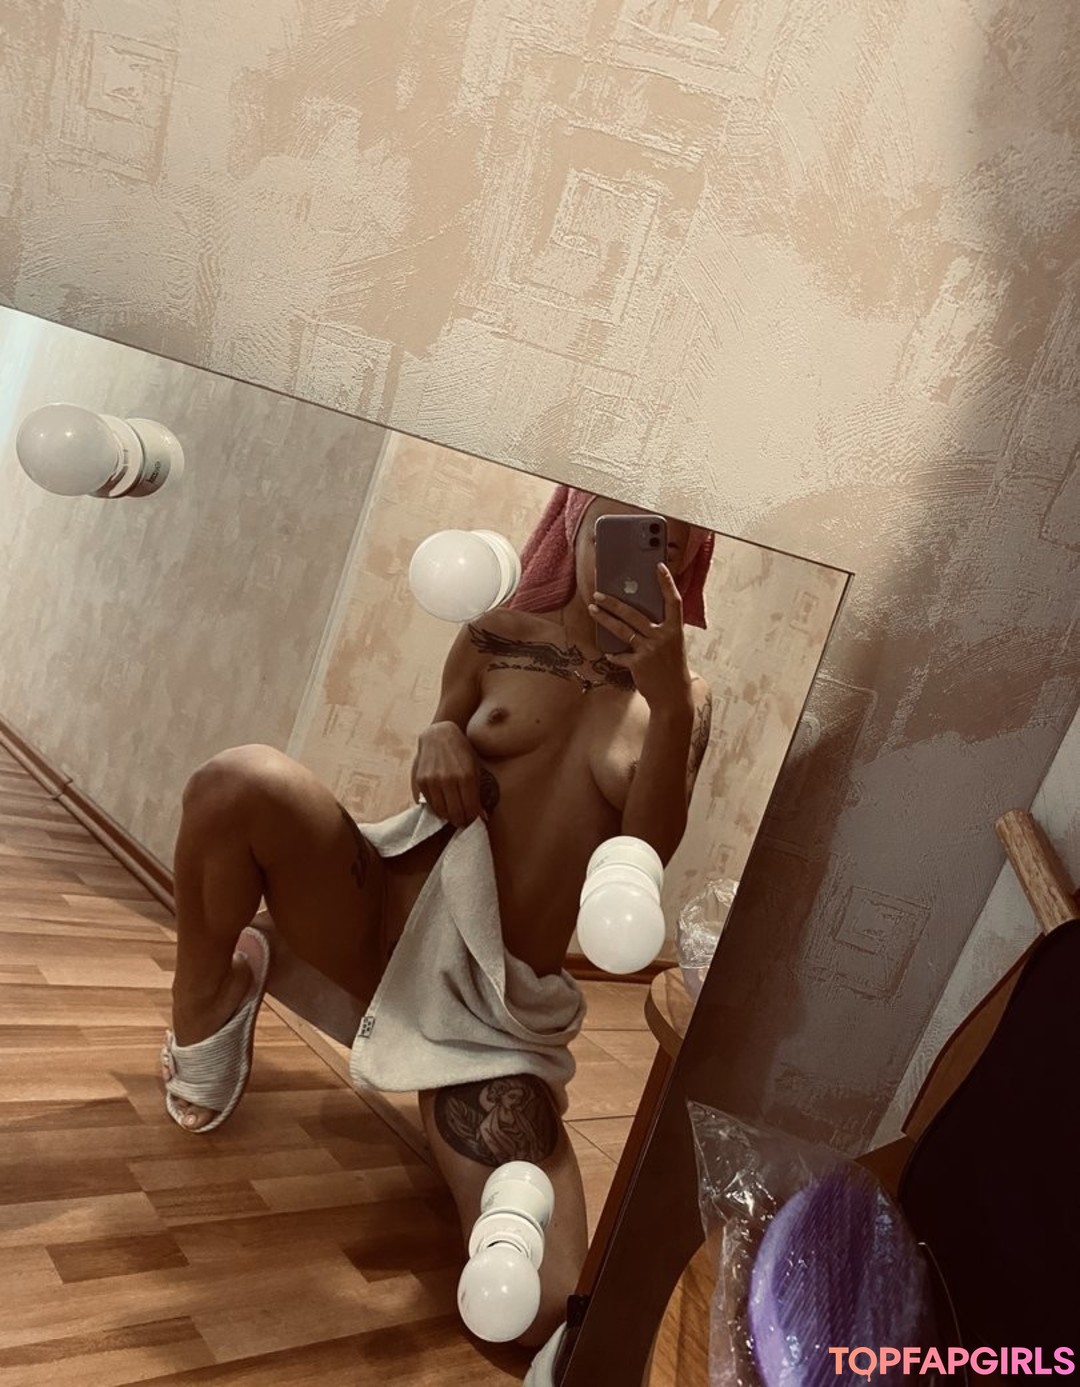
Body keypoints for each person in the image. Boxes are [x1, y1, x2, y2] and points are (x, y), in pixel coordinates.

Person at [160, 487, 714, 1351]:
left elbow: (643, 858)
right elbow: (441, 742)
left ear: (688, 565)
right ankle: (209, 1004)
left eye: (666, 547)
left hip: (491, 1014)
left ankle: (402, 1047)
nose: (639, 560)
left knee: (541, 1304)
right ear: (573, 527)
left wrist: (668, 699)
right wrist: (436, 734)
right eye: (615, 529)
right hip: (384, 918)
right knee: (240, 780)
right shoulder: (495, 634)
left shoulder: (684, 697)